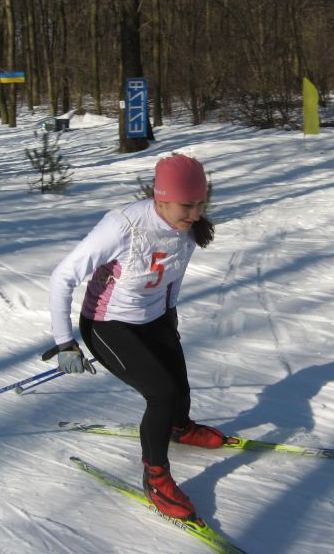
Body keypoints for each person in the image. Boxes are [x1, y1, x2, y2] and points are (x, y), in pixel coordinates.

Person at [47, 153, 224, 520]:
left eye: (200, 204)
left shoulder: (186, 227)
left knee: (179, 381)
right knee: (161, 393)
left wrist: (169, 316)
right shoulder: (123, 225)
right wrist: (66, 342)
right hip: (107, 323)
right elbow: (62, 277)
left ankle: (179, 427)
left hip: (155, 315)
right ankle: (156, 476)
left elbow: (174, 274)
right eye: (186, 206)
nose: (194, 215)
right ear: (160, 199)